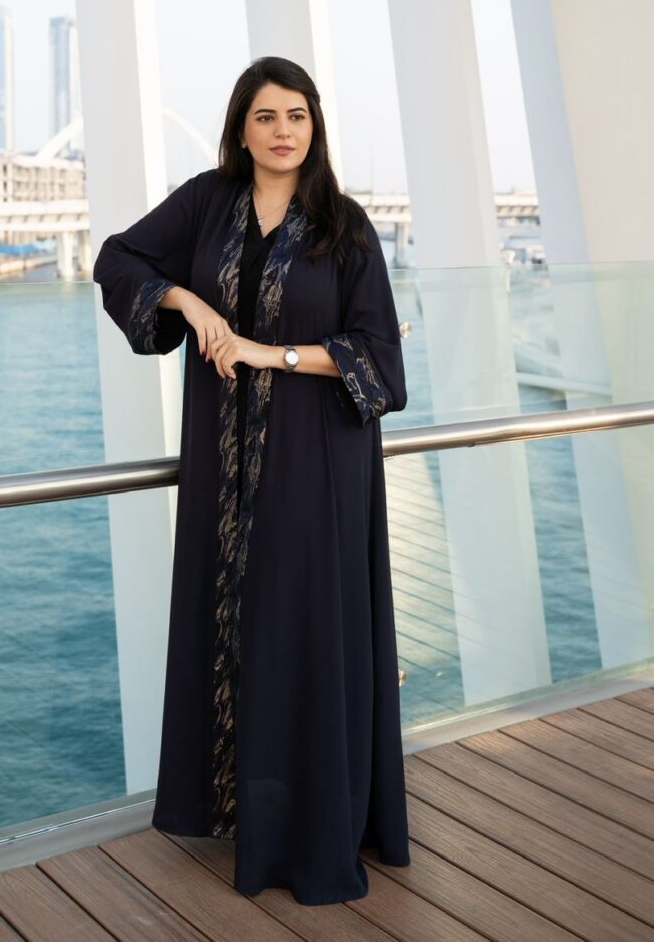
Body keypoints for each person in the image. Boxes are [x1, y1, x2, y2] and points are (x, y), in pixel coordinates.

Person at [93, 55, 409, 906]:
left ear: (315, 125)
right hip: (223, 461)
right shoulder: (208, 202)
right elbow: (117, 259)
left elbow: (381, 360)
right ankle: (247, 814)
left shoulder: (343, 224)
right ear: (241, 126)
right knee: (236, 619)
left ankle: (316, 826)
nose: (282, 130)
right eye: (266, 115)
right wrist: (187, 301)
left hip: (317, 462)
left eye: (296, 115)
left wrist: (272, 353)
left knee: (302, 627)